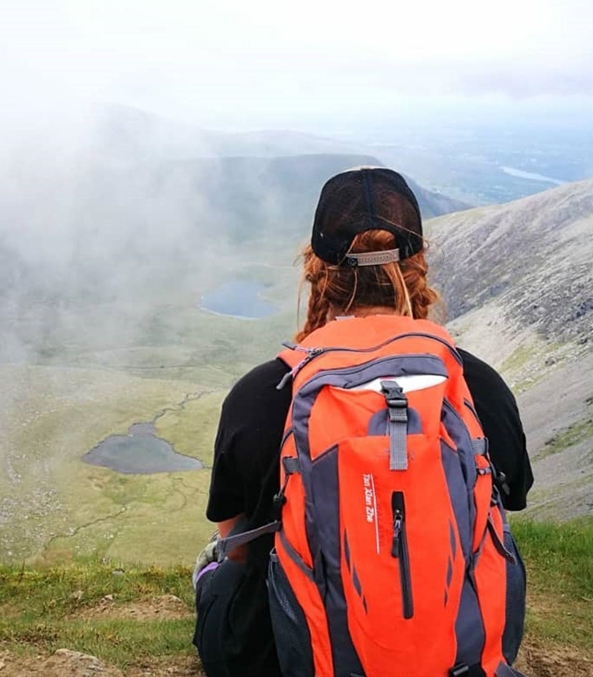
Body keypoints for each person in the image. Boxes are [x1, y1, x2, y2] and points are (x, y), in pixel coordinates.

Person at [193, 167, 534, 677]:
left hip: (293, 656)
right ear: (417, 266)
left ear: (317, 271)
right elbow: (507, 506)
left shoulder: (262, 393)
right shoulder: (474, 384)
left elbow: (236, 541)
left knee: (215, 568)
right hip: (454, 659)